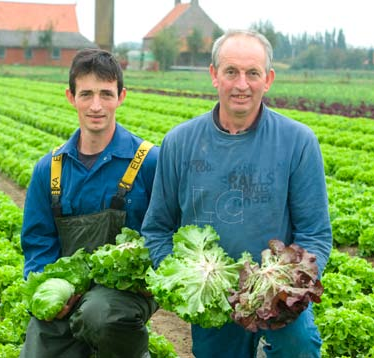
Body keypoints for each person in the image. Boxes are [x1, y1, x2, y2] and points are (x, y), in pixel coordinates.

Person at [141, 29, 332, 358]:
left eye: (252, 73)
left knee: (298, 349)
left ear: (268, 79)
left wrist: (281, 289)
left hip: (276, 299)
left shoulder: (298, 141)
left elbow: (314, 234)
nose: (241, 84)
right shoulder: (178, 142)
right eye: (231, 72)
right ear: (214, 75)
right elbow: (157, 228)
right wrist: (188, 281)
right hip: (215, 299)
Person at [20, 48, 159, 358]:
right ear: (71, 97)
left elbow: (165, 228)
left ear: (122, 96)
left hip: (129, 290)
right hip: (69, 284)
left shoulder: (149, 161)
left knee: (100, 313)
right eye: (86, 94)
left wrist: (152, 276)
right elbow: (38, 240)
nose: (96, 106)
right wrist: (49, 287)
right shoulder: (50, 168)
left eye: (106, 94)